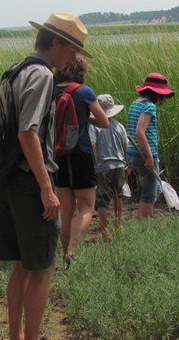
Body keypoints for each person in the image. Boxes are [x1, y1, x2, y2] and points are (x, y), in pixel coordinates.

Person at [0, 12, 90, 340]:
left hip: (7, 178)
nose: (74, 57)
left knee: (21, 264)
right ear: (55, 42)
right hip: (28, 182)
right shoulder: (41, 74)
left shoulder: (16, 70)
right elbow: (27, 133)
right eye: (73, 48)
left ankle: (18, 335)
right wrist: (47, 189)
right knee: (43, 267)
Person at [54, 57, 109, 267]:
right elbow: (104, 122)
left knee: (65, 209)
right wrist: (86, 117)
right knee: (86, 206)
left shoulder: (50, 91)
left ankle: (63, 254)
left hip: (58, 154)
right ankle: (71, 252)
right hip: (81, 153)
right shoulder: (83, 92)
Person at [127, 72, 176, 218]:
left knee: (157, 188)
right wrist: (149, 157)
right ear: (155, 93)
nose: (162, 100)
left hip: (133, 153)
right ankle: (142, 225)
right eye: (161, 96)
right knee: (149, 193)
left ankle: (143, 218)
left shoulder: (135, 103)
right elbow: (139, 132)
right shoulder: (149, 107)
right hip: (145, 154)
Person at [88, 94, 128, 239]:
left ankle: (105, 229)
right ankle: (118, 224)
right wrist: (125, 162)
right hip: (119, 164)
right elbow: (125, 146)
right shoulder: (120, 126)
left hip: (103, 166)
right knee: (118, 194)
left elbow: (92, 144)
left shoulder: (94, 126)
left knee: (102, 199)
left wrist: (94, 162)